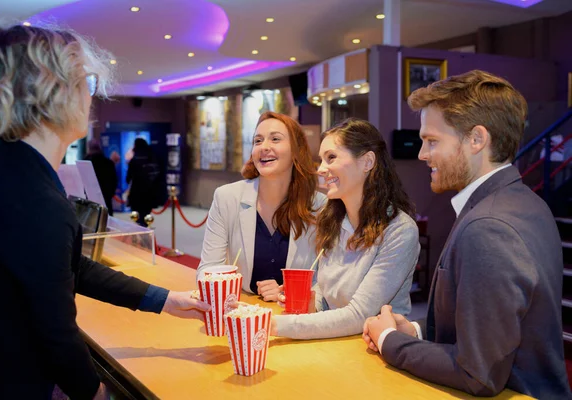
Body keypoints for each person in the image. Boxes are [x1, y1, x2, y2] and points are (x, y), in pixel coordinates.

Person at [0, 22, 210, 400]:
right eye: (86, 84)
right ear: (52, 92)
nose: (91, 98)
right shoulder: (34, 199)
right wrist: (93, 391)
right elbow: (55, 333)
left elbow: (70, 267)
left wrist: (165, 300)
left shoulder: (5, 171)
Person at [362, 70, 571, 399]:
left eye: (432, 141)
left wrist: (390, 340)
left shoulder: (489, 226)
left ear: (477, 139)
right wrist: (414, 330)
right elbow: (493, 329)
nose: (421, 154)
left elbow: (478, 372)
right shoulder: (525, 202)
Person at [271, 118, 420, 339]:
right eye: (321, 160)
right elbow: (326, 297)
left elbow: (359, 315)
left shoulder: (400, 230)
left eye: (331, 157)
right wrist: (311, 301)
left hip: (377, 355)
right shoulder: (330, 220)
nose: (321, 169)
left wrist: (272, 325)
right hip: (332, 348)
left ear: (367, 162)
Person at [197, 111, 325, 302]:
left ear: (296, 150)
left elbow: (329, 281)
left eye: (275, 139)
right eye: (257, 141)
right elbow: (207, 270)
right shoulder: (227, 198)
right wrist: (223, 286)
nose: (264, 147)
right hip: (243, 314)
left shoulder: (320, 205)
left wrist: (287, 293)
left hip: (297, 318)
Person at [126, 137, 163, 226]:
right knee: (146, 215)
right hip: (150, 192)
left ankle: (140, 231)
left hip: (137, 192)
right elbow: (158, 174)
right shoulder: (152, 157)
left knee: (137, 216)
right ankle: (146, 229)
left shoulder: (134, 159)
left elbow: (128, 178)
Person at [84, 138, 118, 215]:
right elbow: (114, 181)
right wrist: (109, 194)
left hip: (89, 201)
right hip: (105, 199)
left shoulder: (84, 162)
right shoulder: (108, 163)